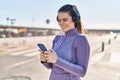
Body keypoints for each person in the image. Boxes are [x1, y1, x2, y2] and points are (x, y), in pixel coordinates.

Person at [39, 4, 90, 80]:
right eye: (59, 20)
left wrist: (57, 60)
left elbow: (82, 72)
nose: (61, 23)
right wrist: (44, 60)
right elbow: (50, 66)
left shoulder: (81, 40)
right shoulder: (57, 38)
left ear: (75, 19)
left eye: (65, 20)